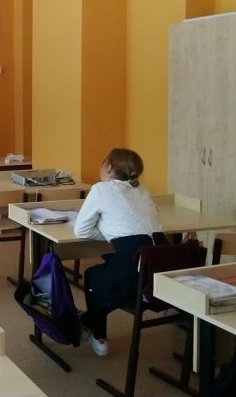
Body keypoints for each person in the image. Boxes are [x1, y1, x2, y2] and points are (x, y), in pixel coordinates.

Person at [72, 148, 164, 356]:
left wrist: (109, 233)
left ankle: (98, 335)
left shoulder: (101, 189)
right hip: (157, 269)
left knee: (92, 276)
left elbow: (81, 230)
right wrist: (115, 232)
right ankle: (88, 323)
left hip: (133, 270)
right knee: (108, 274)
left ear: (109, 167)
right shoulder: (142, 190)